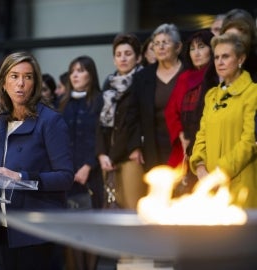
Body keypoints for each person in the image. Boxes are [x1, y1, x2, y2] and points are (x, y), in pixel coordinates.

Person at [0, 51, 74, 270]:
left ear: (35, 83)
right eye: (14, 76)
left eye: (28, 77)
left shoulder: (50, 122)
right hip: (3, 225)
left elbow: (65, 177)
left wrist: (21, 177)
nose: (21, 83)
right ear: (4, 83)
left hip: (36, 229)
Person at [190, 33, 257, 208]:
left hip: (241, 184)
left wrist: (220, 172)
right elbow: (201, 135)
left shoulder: (253, 93)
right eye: (217, 57)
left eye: (225, 56)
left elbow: (250, 141)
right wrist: (200, 166)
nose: (219, 62)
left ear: (241, 58)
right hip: (210, 186)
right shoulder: (211, 96)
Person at [60, 55, 103, 270]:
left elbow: (101, 137)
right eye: (72, 71)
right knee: (71, 233)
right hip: (67, 177)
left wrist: (88, 165)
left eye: (81, 70)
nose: (75, 75)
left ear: (91, 74)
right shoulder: (63, 103)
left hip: (92, 176)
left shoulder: (99, 101)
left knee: (91, 230)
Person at [96, 32, 146, 210]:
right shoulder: (109, 84)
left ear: (138, 57)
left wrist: (136, 146)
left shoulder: (143, 80)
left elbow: (143, 119)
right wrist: (101, 153)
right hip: (109, 156)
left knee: (134, 211)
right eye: (118, 55)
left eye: (128, 54)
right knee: (112, 210)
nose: (123, 58)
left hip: (131, 154)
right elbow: (100, 122)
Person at [127, 23, 184, 173]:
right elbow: (133, 115)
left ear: (178, 47)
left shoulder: (189, 73)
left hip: (185, 143)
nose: (160, 47)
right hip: (154, 146)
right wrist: (135, 146)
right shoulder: (142, 77)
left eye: (165, 42)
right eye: (156, 44)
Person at [165, 29, 214, 168]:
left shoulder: (216, 76)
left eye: (201, 47)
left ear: (212, 49)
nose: (196, 53)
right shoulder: (184, 77)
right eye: (192, 49)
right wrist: (181, 135)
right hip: (185, 142)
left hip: (210, 142)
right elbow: (171, 111)